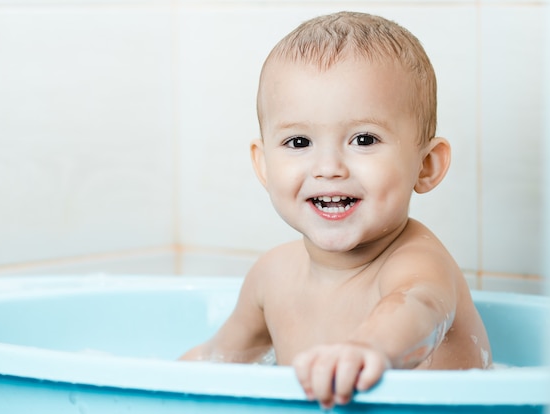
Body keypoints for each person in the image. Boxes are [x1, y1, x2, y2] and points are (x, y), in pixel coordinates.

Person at [180, 11, 491, 409]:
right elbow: (217, 360)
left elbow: (418, 308)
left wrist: (370, 349)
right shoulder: (271, 277)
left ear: (426, 165)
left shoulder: (416, 264)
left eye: (363, 139)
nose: (328, 167)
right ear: (263, 165)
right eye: (297, 142)